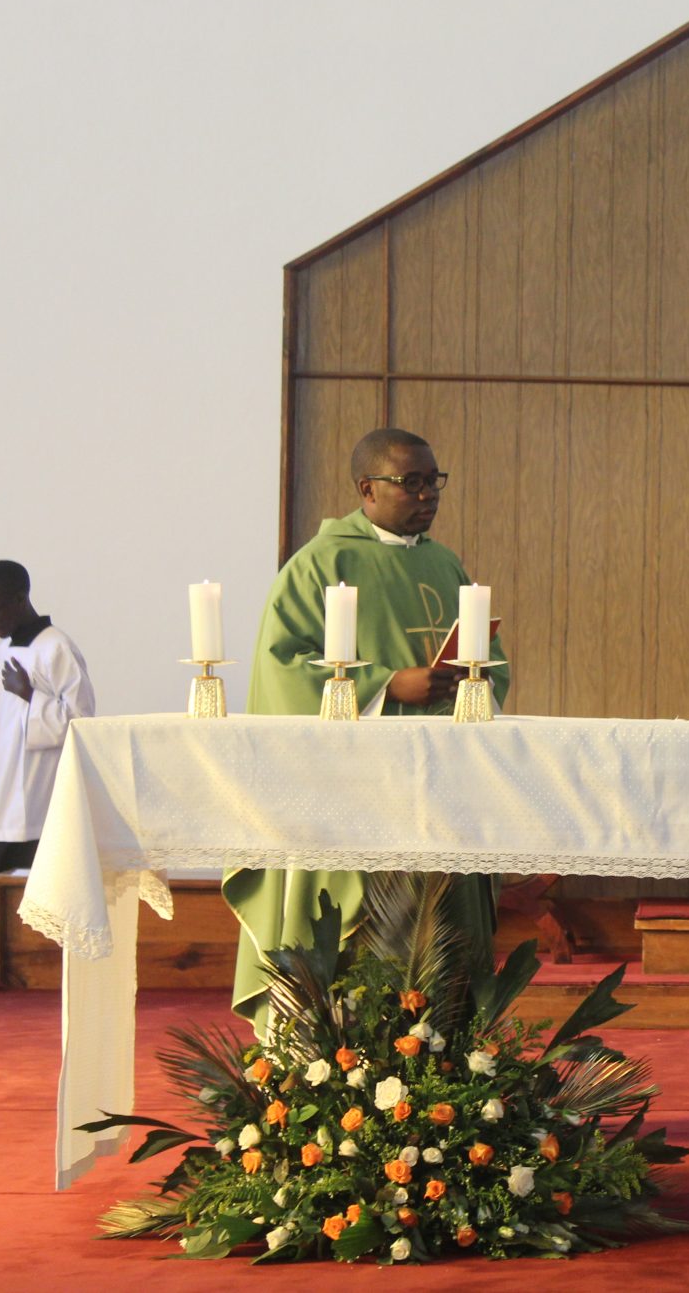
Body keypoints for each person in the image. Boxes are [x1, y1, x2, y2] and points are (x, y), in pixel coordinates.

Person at [224, 428, 508, 1022]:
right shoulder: (322, 564)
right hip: (353, 793)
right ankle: (350, 1062)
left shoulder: (444, 563)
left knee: (439, 935)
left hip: (438, 787)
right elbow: (282, 668)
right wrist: (385, 684)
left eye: (435, 481)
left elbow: (487, 663)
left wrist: (469, 684)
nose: (428, 494)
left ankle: (443, 1062)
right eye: (413, 482)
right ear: (367, 488)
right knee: (362, 942)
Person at [0, 560, 95, 985]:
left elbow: (81, 720)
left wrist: (28, 695)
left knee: (36, 891)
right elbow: (14, 722)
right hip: (2, 794)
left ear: (21, 598)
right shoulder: (5, 648)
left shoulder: (56, 648)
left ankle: (38, 976)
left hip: (38, 798)